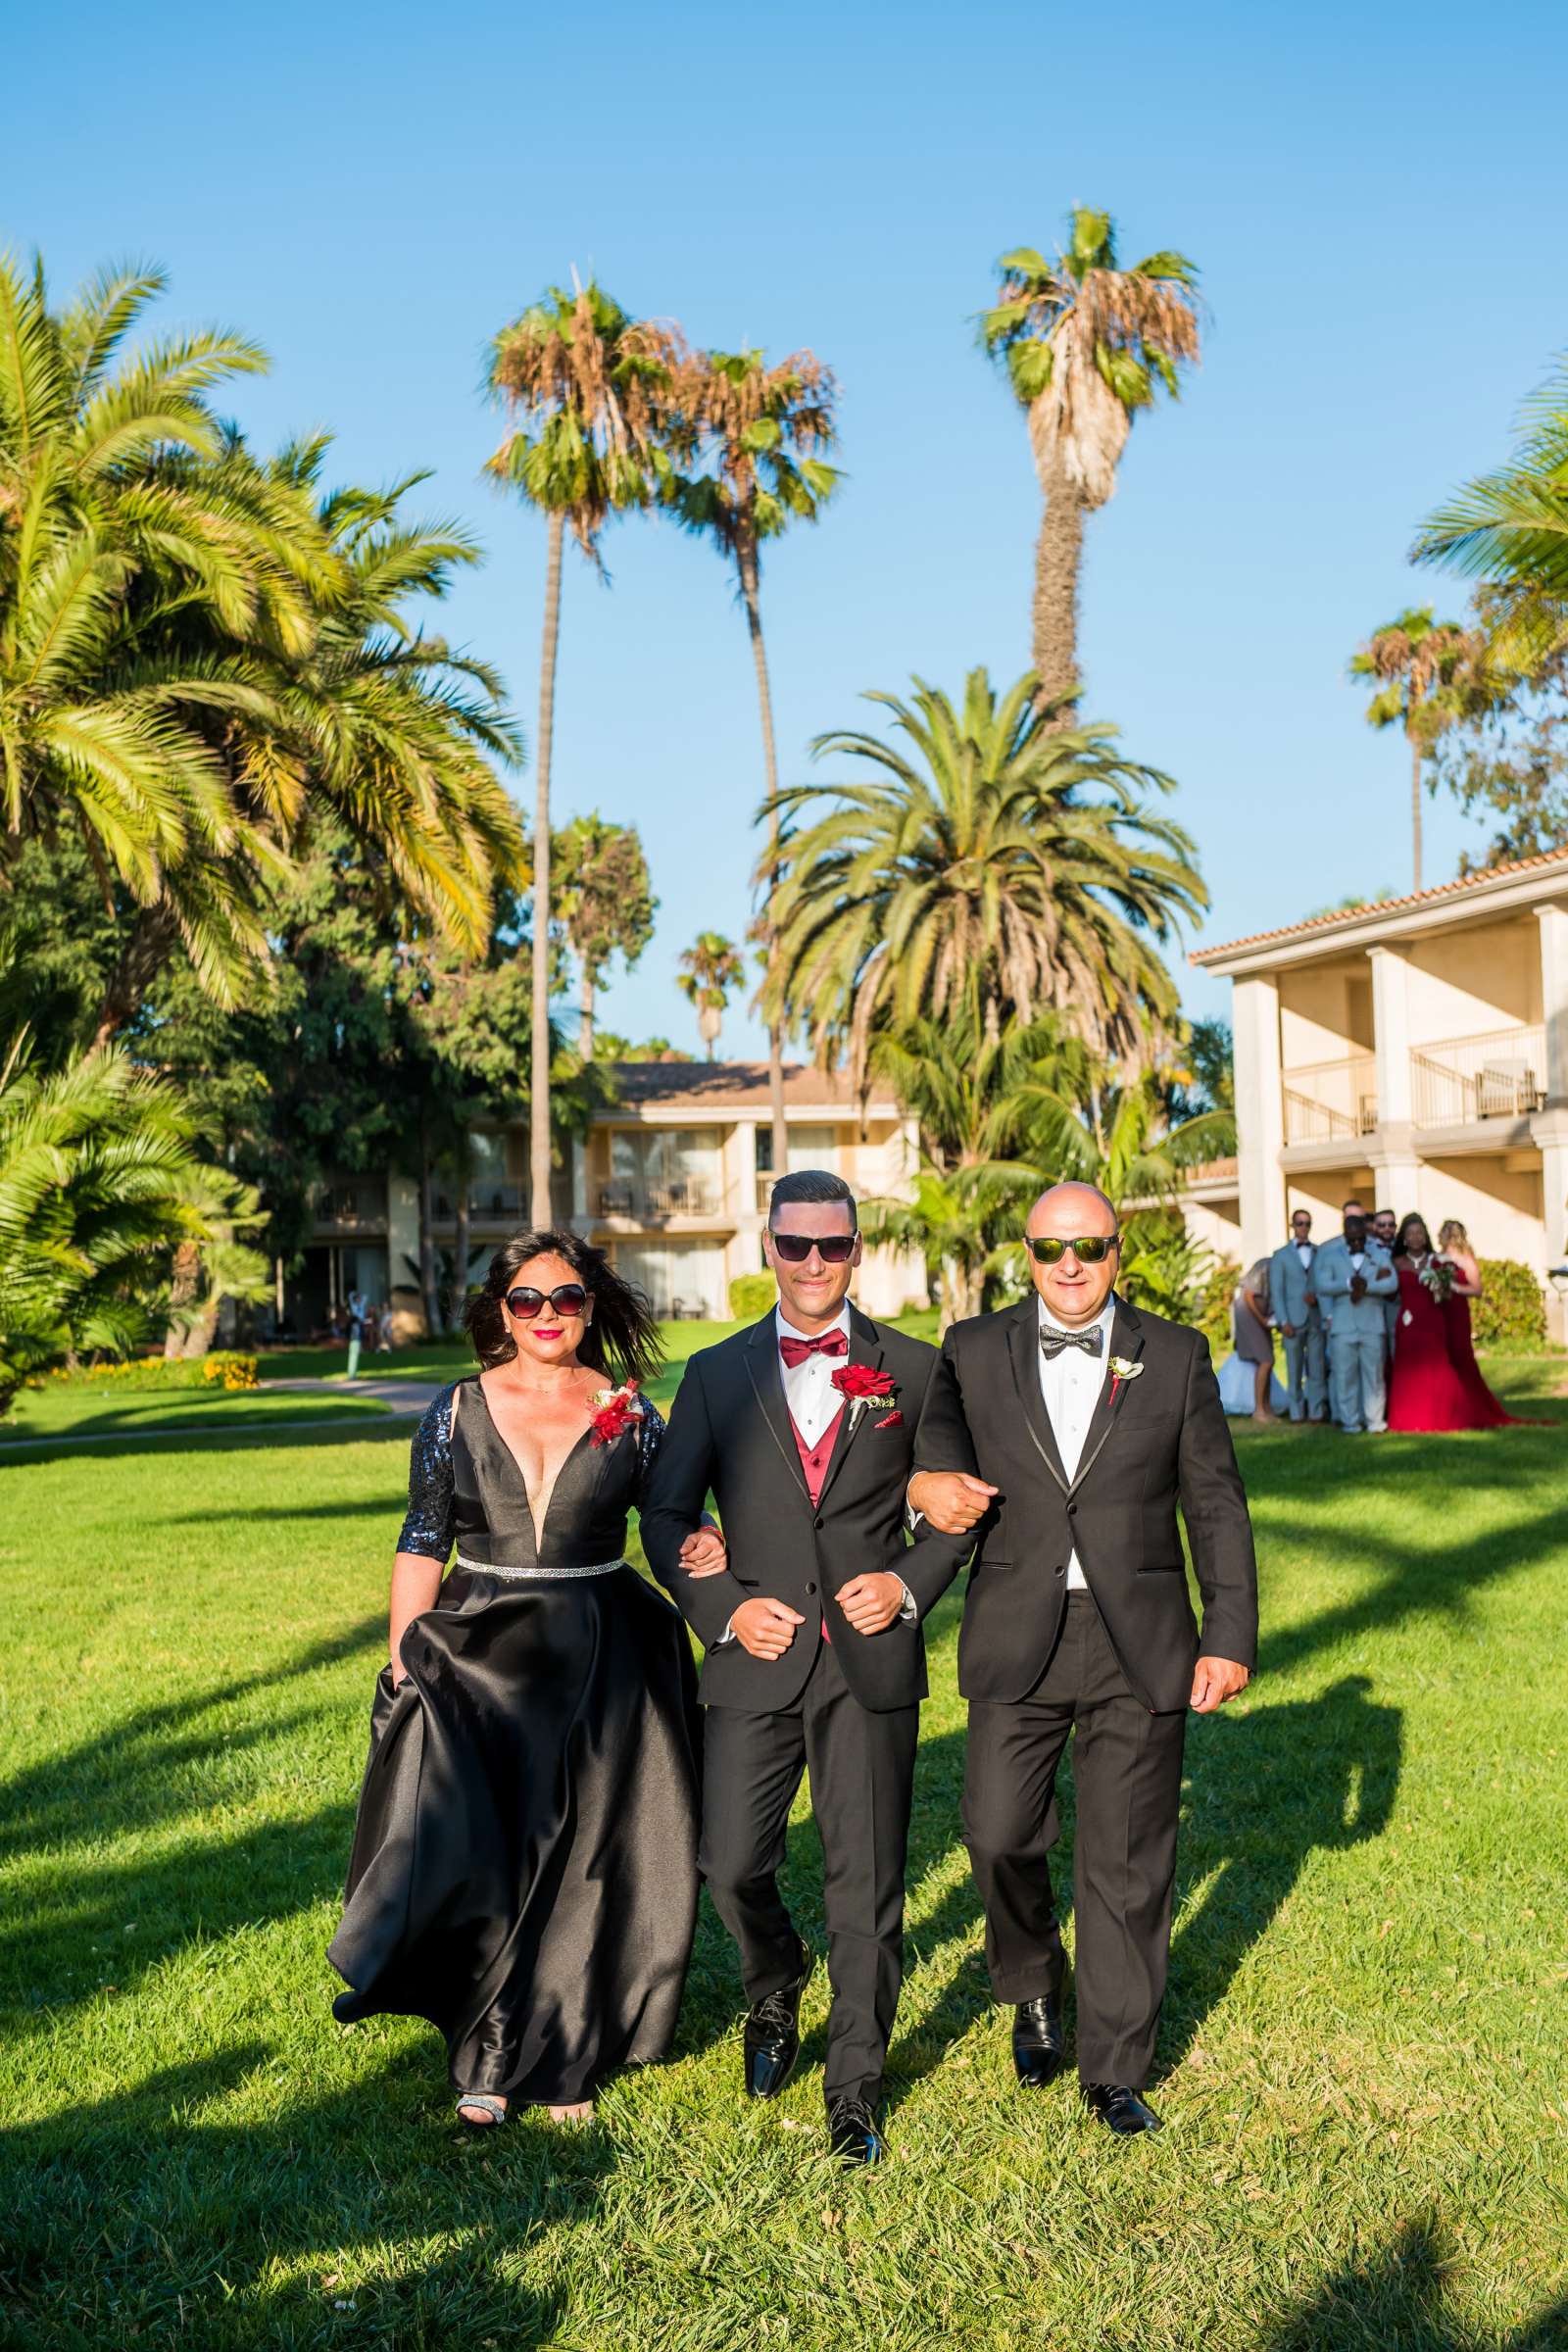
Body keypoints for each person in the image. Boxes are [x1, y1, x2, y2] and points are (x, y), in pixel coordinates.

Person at [328, 1229, 724, 2128]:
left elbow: (670, 1523)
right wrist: (403, 1655)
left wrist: (709, 1545)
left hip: (605, 1655)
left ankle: (568, 2055)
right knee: (493, 1852)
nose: (550, 1316)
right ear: (502, 1310)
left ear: (591, 1306)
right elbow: (424, 1536)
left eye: (569, 1299)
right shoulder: (457, 1407)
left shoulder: (627, 1409)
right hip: (480, 1658)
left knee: (588, 1856)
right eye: (529, 1301)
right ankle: (489, 2054)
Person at [907, 1182, 1258, 2137]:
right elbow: (937, 1438)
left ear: (1117, 1253)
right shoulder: (972, 1347)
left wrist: (1228, 1633)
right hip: (1017, 1627)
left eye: (1090, 1247)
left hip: (1138, 1637)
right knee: (996, 1833)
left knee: (1128, 1862)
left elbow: (1216, 1503)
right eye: (1051, 1247)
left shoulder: (1176, 1355)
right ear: (1025, 1253)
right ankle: (1030, 1982)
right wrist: (927, 1478)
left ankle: (1113, 2068)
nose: (1070, 1265)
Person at [640, 1172, 971, 2168]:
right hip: (755, 1661)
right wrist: (724, 1607)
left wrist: (907, 1588)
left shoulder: (914, 1369)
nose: (814, 1264)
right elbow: (663, 1514)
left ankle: (854, 2088)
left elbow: (953, 1507)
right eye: (796, 1245)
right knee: (729, 1863)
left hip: (868, 1663)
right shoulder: (714, 1373)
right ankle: (774, 1987)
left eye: (833, 1246)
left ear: (857, 1249)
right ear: (769, 1248)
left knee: (863, 1883)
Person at [1384, 1213, 1482, 1432]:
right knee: (1408, 1369)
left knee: (1436, 1368)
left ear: (1425, 1236)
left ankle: (1443, 1417)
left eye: (1419, 1233)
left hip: (1433, 1321)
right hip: (1408, 1322)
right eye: (1410, 1234)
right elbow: (1389, 1294)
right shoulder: (1396, 1263)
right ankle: (1408, 1419)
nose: (1415, 1237)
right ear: (1404, 1238)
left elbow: (1448, 1295)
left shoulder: (1437, 1261)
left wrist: (1442, 1289)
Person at [1314, 1200, 1397, 1433]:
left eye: (1360, 1236)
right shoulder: (1332, 1254)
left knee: (1373, 1376)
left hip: (1372, 1324)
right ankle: (1350, 1421)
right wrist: (1348, 1284)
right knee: (1345, 1375)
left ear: (1365, 1231)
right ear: (1345, 1234)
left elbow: (1392, 1283)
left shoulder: (1378, 1254)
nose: (1357, 1241)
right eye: (1352, 1237)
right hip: (1343, 1325)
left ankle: (1375, 1421)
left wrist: (1367, 1285)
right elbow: (1322, 1285)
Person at [1434, 1219, 1519, 1426]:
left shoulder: (1465, 1259)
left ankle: (1472, 1403)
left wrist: (1455, 1287)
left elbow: (1477, 1289)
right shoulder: (1435, 1258)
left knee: (1461, 1357)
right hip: (1438, 1310)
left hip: (1457, 1313)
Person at [1269, 1209, 1327, 1423]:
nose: (1304, 1227)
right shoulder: (1280, 1255)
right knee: (1294, 1368)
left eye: (1307, 1223)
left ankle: (1316, 1411)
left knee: (1317, 1367)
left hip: (1315, 1318)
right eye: (1300, 1223)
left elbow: (1324, 1283)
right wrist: (1283, 1320)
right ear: (1292, 1225)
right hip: (1291, 1320)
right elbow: (1277, 1290)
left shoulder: (1319, 1251)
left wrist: (1318, 1298)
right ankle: (1296, 1411)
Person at [1231, 1256, 1279, 1421]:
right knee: (1266, 1361)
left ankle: (1268, 1408)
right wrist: (1262, 1320)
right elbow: (1249, 1295)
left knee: (1268, 1361)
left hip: (1263, 1316)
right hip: (1248, 1313)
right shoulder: (1265, 1266)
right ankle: (1259, 1411)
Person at [1371, 1209, 1401, 1366]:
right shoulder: (1366, 1248)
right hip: (1373, 1305)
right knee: (1377, 1355)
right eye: (1382, 1225)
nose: (1387, 1228)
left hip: (1398, 1305)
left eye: (1391, 1224)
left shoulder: (1403, 1246)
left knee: (1398, 1350)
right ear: (1375, 1227)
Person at [345, 1286, 368, 1380]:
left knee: (356, 1348)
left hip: (360, 1325)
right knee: (354, 1349)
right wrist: (354, 1293)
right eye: (358, 1299)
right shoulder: (354, 1306)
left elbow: (365, 1297)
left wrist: (360, 1295)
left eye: (359, 1299)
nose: (359, 1300)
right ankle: (351, 1375)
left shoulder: (361, 1306)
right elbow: (350, 1296)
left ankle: (352, 1374)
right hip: (356, 1326)